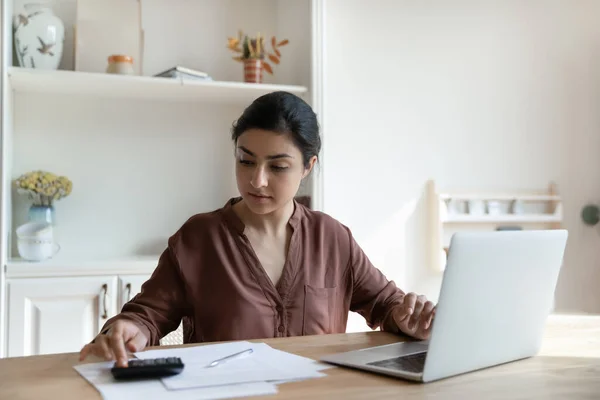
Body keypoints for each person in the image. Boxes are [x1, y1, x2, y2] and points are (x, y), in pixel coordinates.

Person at [79, 91, 436, 367]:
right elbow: (147, 315)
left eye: (278, 166)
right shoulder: (199, 238)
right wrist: (127, 330)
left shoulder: (333, 238)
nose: (257, 180)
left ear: (308, 167)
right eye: (245, 160)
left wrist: (408, 319)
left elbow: (386, 304)